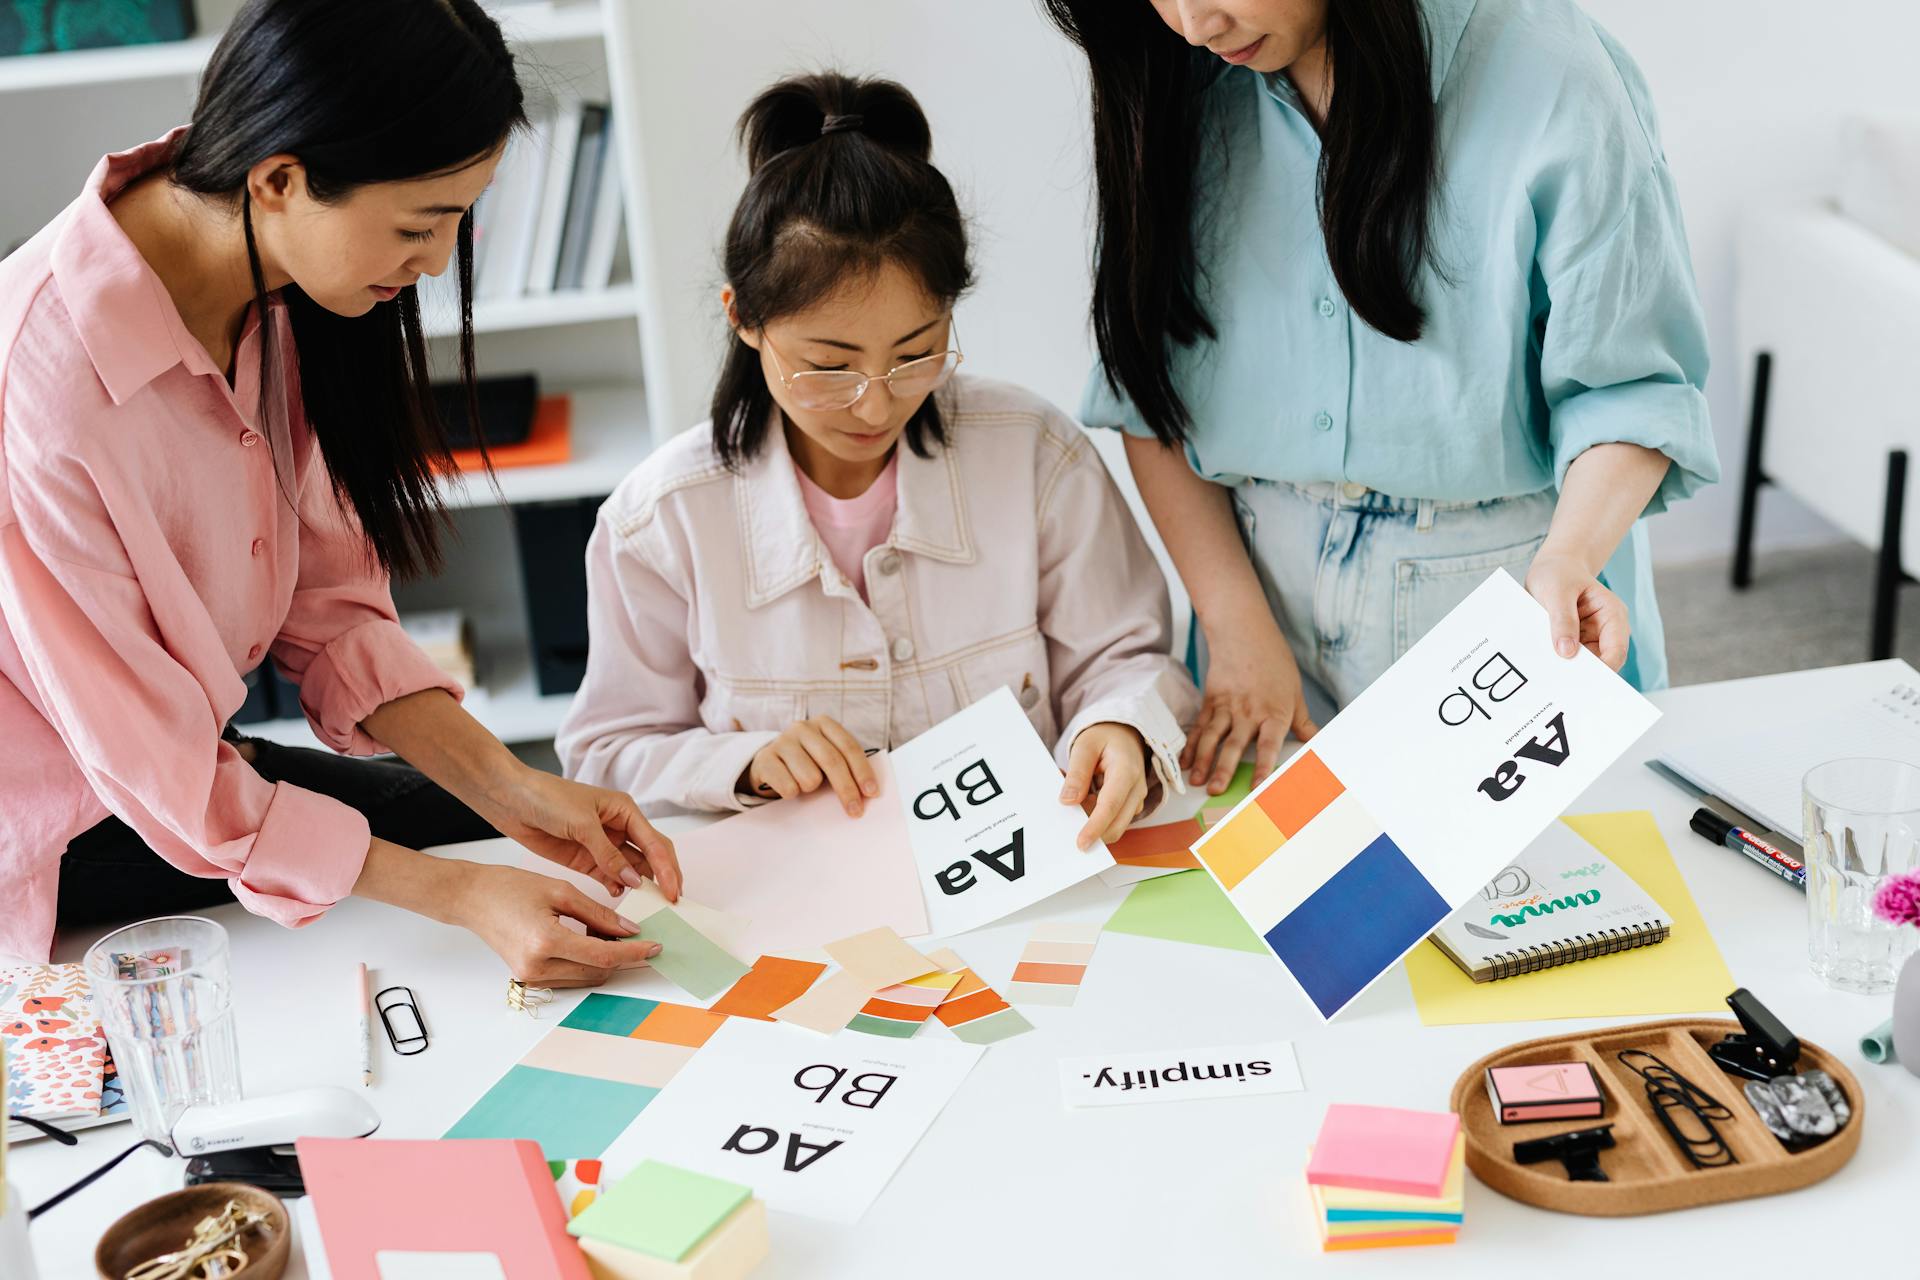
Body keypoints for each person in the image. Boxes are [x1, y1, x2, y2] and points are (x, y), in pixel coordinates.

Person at [0, 0, 679, 986]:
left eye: (458, 221)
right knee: (453, 885)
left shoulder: (271, 282)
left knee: (481, 832)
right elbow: (157, 772)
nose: (437, 262)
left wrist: (515, 788)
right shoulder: (43, 387)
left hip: (178, 758)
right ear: (281, 178)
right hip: (60, 819)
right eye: (419, 224)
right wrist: (461, 897)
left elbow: (329, 611)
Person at [1043, 0, 1720, 794]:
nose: (1195, 22)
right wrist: (1232, 621)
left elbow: (1631, 389)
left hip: (1506, 614)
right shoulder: (1171, 79)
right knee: (1271, 909)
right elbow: (1150, 398)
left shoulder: (1549, 68)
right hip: (1258, 630)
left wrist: (1570, 557)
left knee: (1550, 907)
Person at [557, 72, 1199, 849]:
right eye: (829, 365)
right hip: (800, 916)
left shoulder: (1035, 454)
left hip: (1030, 895)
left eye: (915, 354)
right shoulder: (659, 521)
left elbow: (1126, 658)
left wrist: (1120, 727)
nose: (875, 405)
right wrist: (742, 763)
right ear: (745, 317)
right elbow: (605, 756)